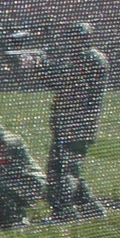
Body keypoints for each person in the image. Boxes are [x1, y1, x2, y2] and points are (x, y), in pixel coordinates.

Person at [44, 21, 109, 220]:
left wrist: (43, 67)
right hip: (71, 122)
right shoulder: (84, 59)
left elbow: (66, 83)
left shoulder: (90, 59)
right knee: (64, 167)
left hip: (76, 123)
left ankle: (63, 211)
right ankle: (90, 207)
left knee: (64, 168)